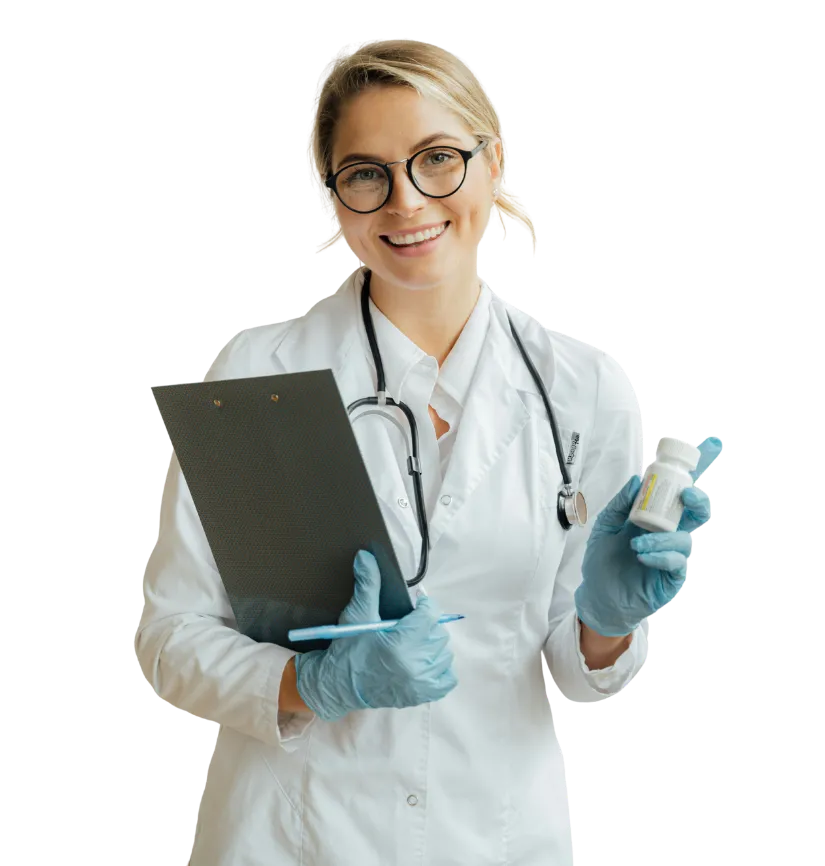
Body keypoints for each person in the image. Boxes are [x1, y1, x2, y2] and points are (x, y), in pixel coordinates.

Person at [136, 38, 720, 866]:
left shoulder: (584, 383)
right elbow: (168, 638)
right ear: (333, 197)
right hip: (292, 837)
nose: (406, 202)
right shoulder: (259, 372)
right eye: (366, 173)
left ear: (494, 164)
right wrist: (317, 683)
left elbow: (573, 672)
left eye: (437, 159)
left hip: (496, 836)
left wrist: (604, 623)